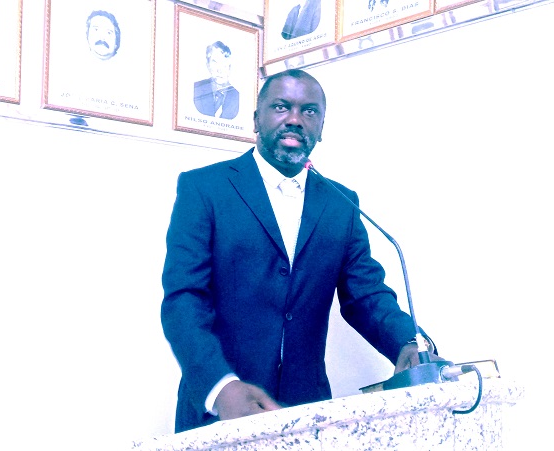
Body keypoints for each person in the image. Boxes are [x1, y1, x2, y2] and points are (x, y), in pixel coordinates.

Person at [161, 69, 442, 433]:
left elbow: (366, 295)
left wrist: (409, 342)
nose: (295, 119)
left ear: (321, 128)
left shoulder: (341, 203)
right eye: (281, 106)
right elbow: (184, 300)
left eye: (309, 111)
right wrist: (221, 386)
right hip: (220, 409)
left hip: (307, 414)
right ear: (256, 119)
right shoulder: (204, 188)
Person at [193, 40, 239, 120]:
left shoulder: (238, 96)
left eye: (224, 63)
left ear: (230, 66)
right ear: (208, 65)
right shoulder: (195, 88)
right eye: (215, 62)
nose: (219, 70)